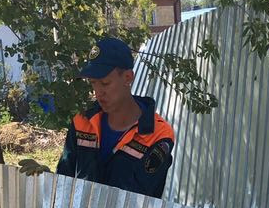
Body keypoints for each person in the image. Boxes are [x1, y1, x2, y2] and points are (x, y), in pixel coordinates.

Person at [21, 37, 176, 198]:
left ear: (128, 78)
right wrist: (48, 180)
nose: (98, 92)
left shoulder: (157, 134)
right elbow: (65, 180)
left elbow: (139, 199)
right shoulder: (82, 122)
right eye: (93, 83)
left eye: (105, 83)